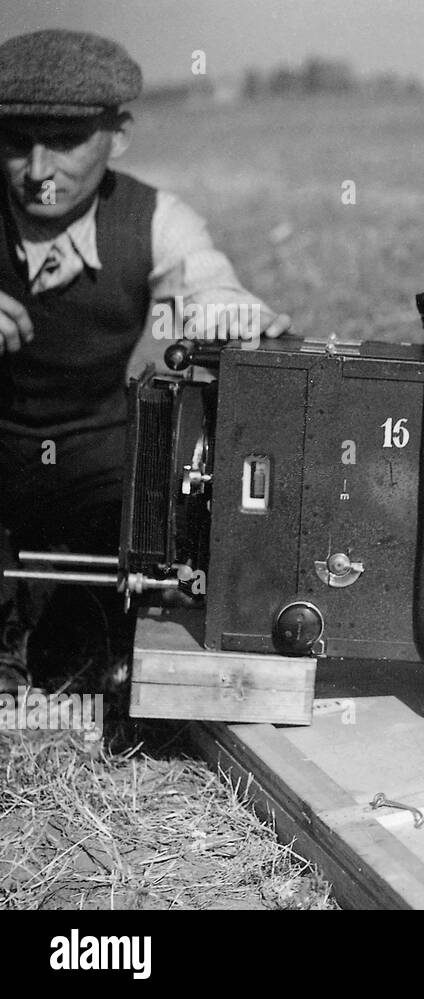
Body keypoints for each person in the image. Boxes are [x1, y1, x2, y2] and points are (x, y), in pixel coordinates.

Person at [0, 28, 291, 692]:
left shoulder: (157, 218)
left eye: (67, 142)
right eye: (17, 143)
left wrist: (228, 312)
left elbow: (205, 280)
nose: (39, 169)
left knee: (148, 531)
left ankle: (86, 641)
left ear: (118, 135)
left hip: (99, 458)